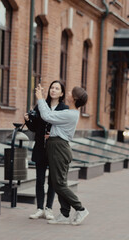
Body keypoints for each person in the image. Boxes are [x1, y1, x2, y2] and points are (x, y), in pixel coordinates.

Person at [35, 84, 89, 225]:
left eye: (71, 92)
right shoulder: (70, 112)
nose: (68, 93)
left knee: (58, 184)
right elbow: (50, 115)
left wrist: (40, 98)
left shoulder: (69, 114)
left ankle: (81, 209)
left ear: (74, 98)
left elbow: (47, 116)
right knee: (58, 182)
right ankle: (65, 215)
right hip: (56, 146)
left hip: (59, 148)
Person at [24, 80, 69, 220]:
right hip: (40, 148)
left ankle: (49, 208)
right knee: (39, 180)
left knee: (52, 181)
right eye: (52, 88)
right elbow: (34, 127)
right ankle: (39, 208)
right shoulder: (41, 105)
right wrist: (27, 120)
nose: (53, 90)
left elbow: (62, 126)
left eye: (57, 88)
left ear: (61, 93)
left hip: (55, 149)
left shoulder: (64, 108)